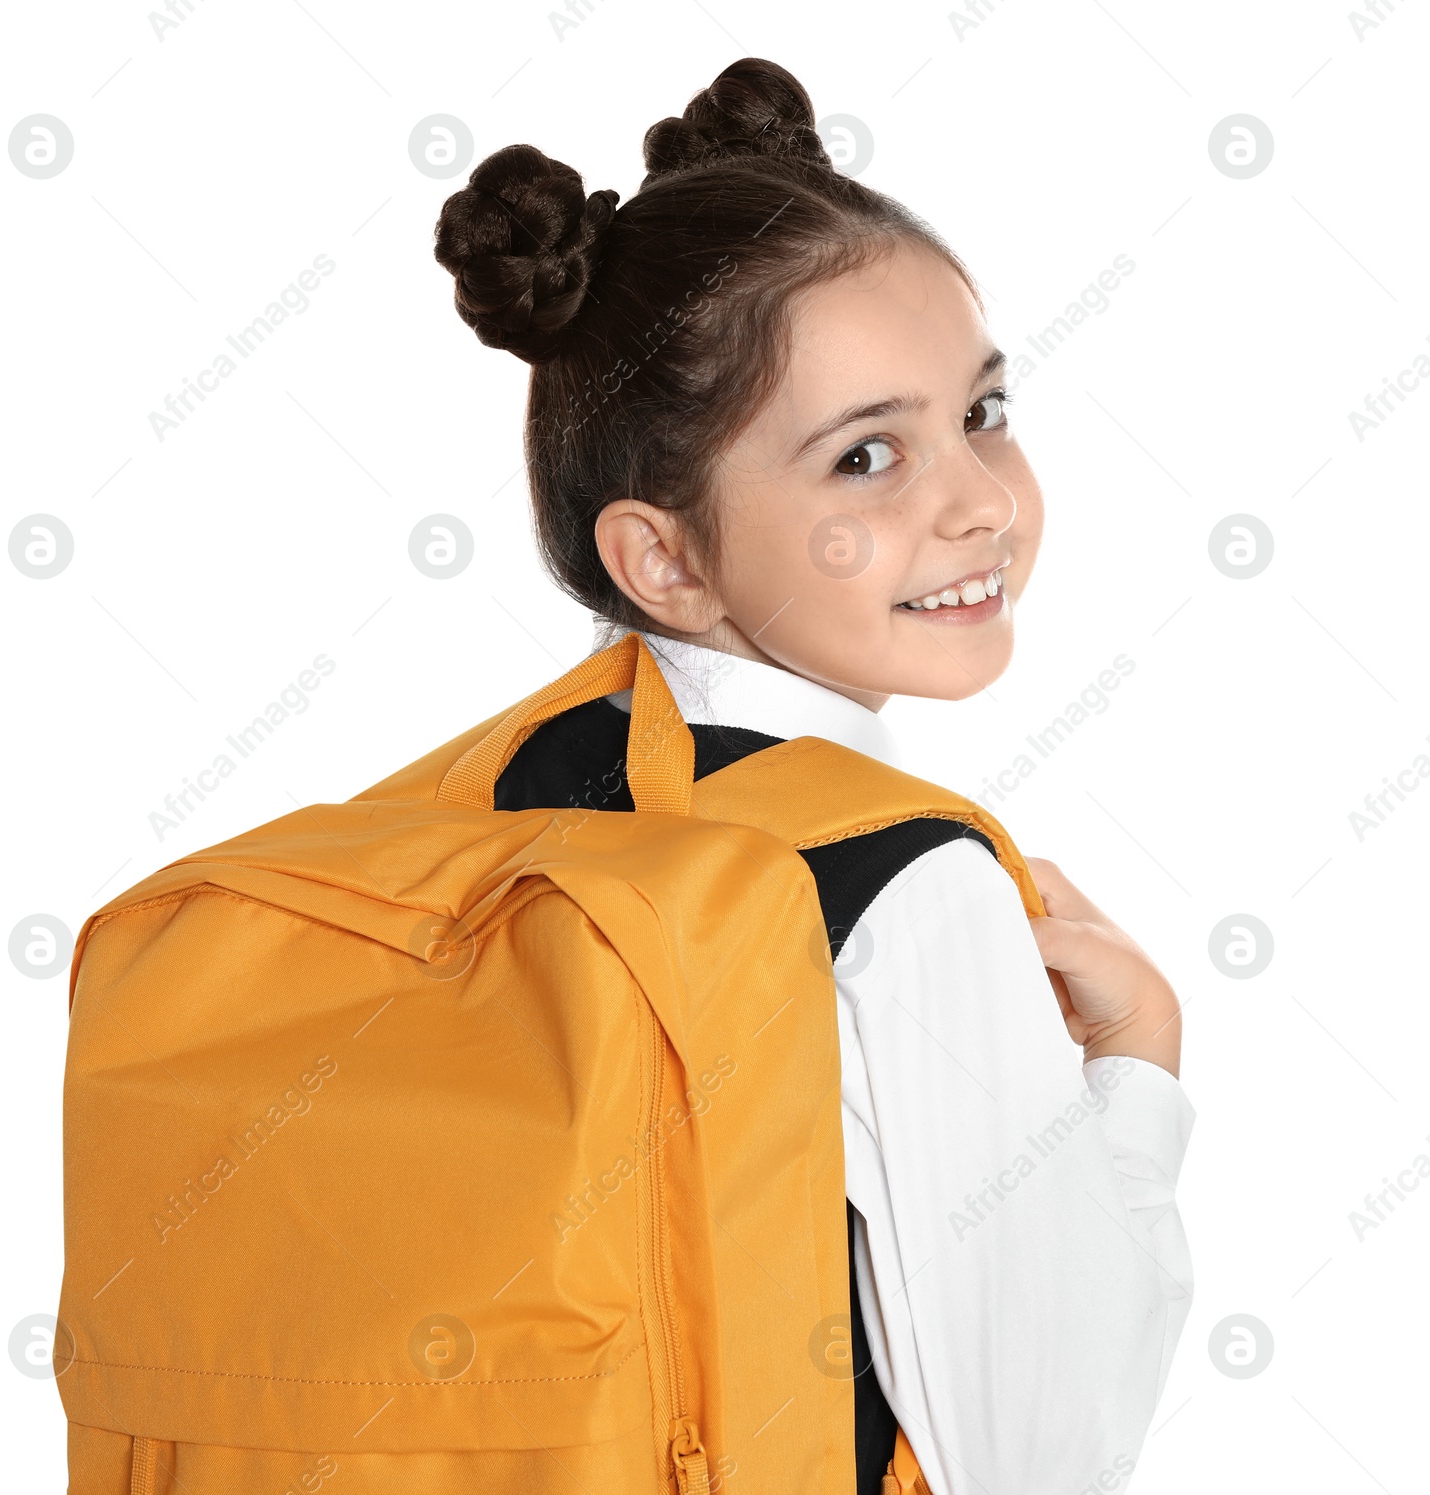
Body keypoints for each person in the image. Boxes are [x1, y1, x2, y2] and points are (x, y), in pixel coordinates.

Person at [435, 56, 1195, 1495]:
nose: (977, 501)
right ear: (661, 556)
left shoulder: (503, 795)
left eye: (981, 412)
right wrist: (1135, 1076)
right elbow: (1039, 1453)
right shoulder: (894, 884)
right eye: (864, 458)